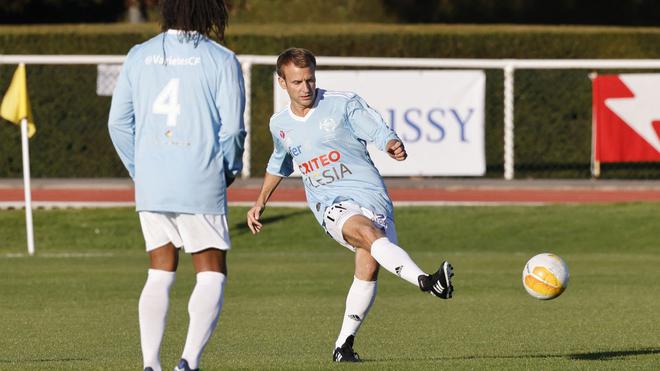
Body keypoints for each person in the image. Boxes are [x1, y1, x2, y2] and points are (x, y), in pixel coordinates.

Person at [246, 47, 454, 363]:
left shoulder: (343, 103)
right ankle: (428, 281)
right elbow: (280, 162)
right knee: (366, 233)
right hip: (330, 204)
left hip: (371, 196)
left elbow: (376, 129)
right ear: (282, 83)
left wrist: (390, 143)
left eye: (310, 80)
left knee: (368, 267)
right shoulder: (280, 124)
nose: (305, 88)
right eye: (297, 82)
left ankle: (343, 345)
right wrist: (260, 201)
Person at [108, 1, 245, 370]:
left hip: (153, 183)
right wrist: (228, 169)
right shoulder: (222, 59)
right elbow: (232, 129)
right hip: (201, 177)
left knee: (160, 269)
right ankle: (189, 361)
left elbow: (118, 124)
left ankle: (150, 363)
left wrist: (143, 171)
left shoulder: (139, 54)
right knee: (212, 269)